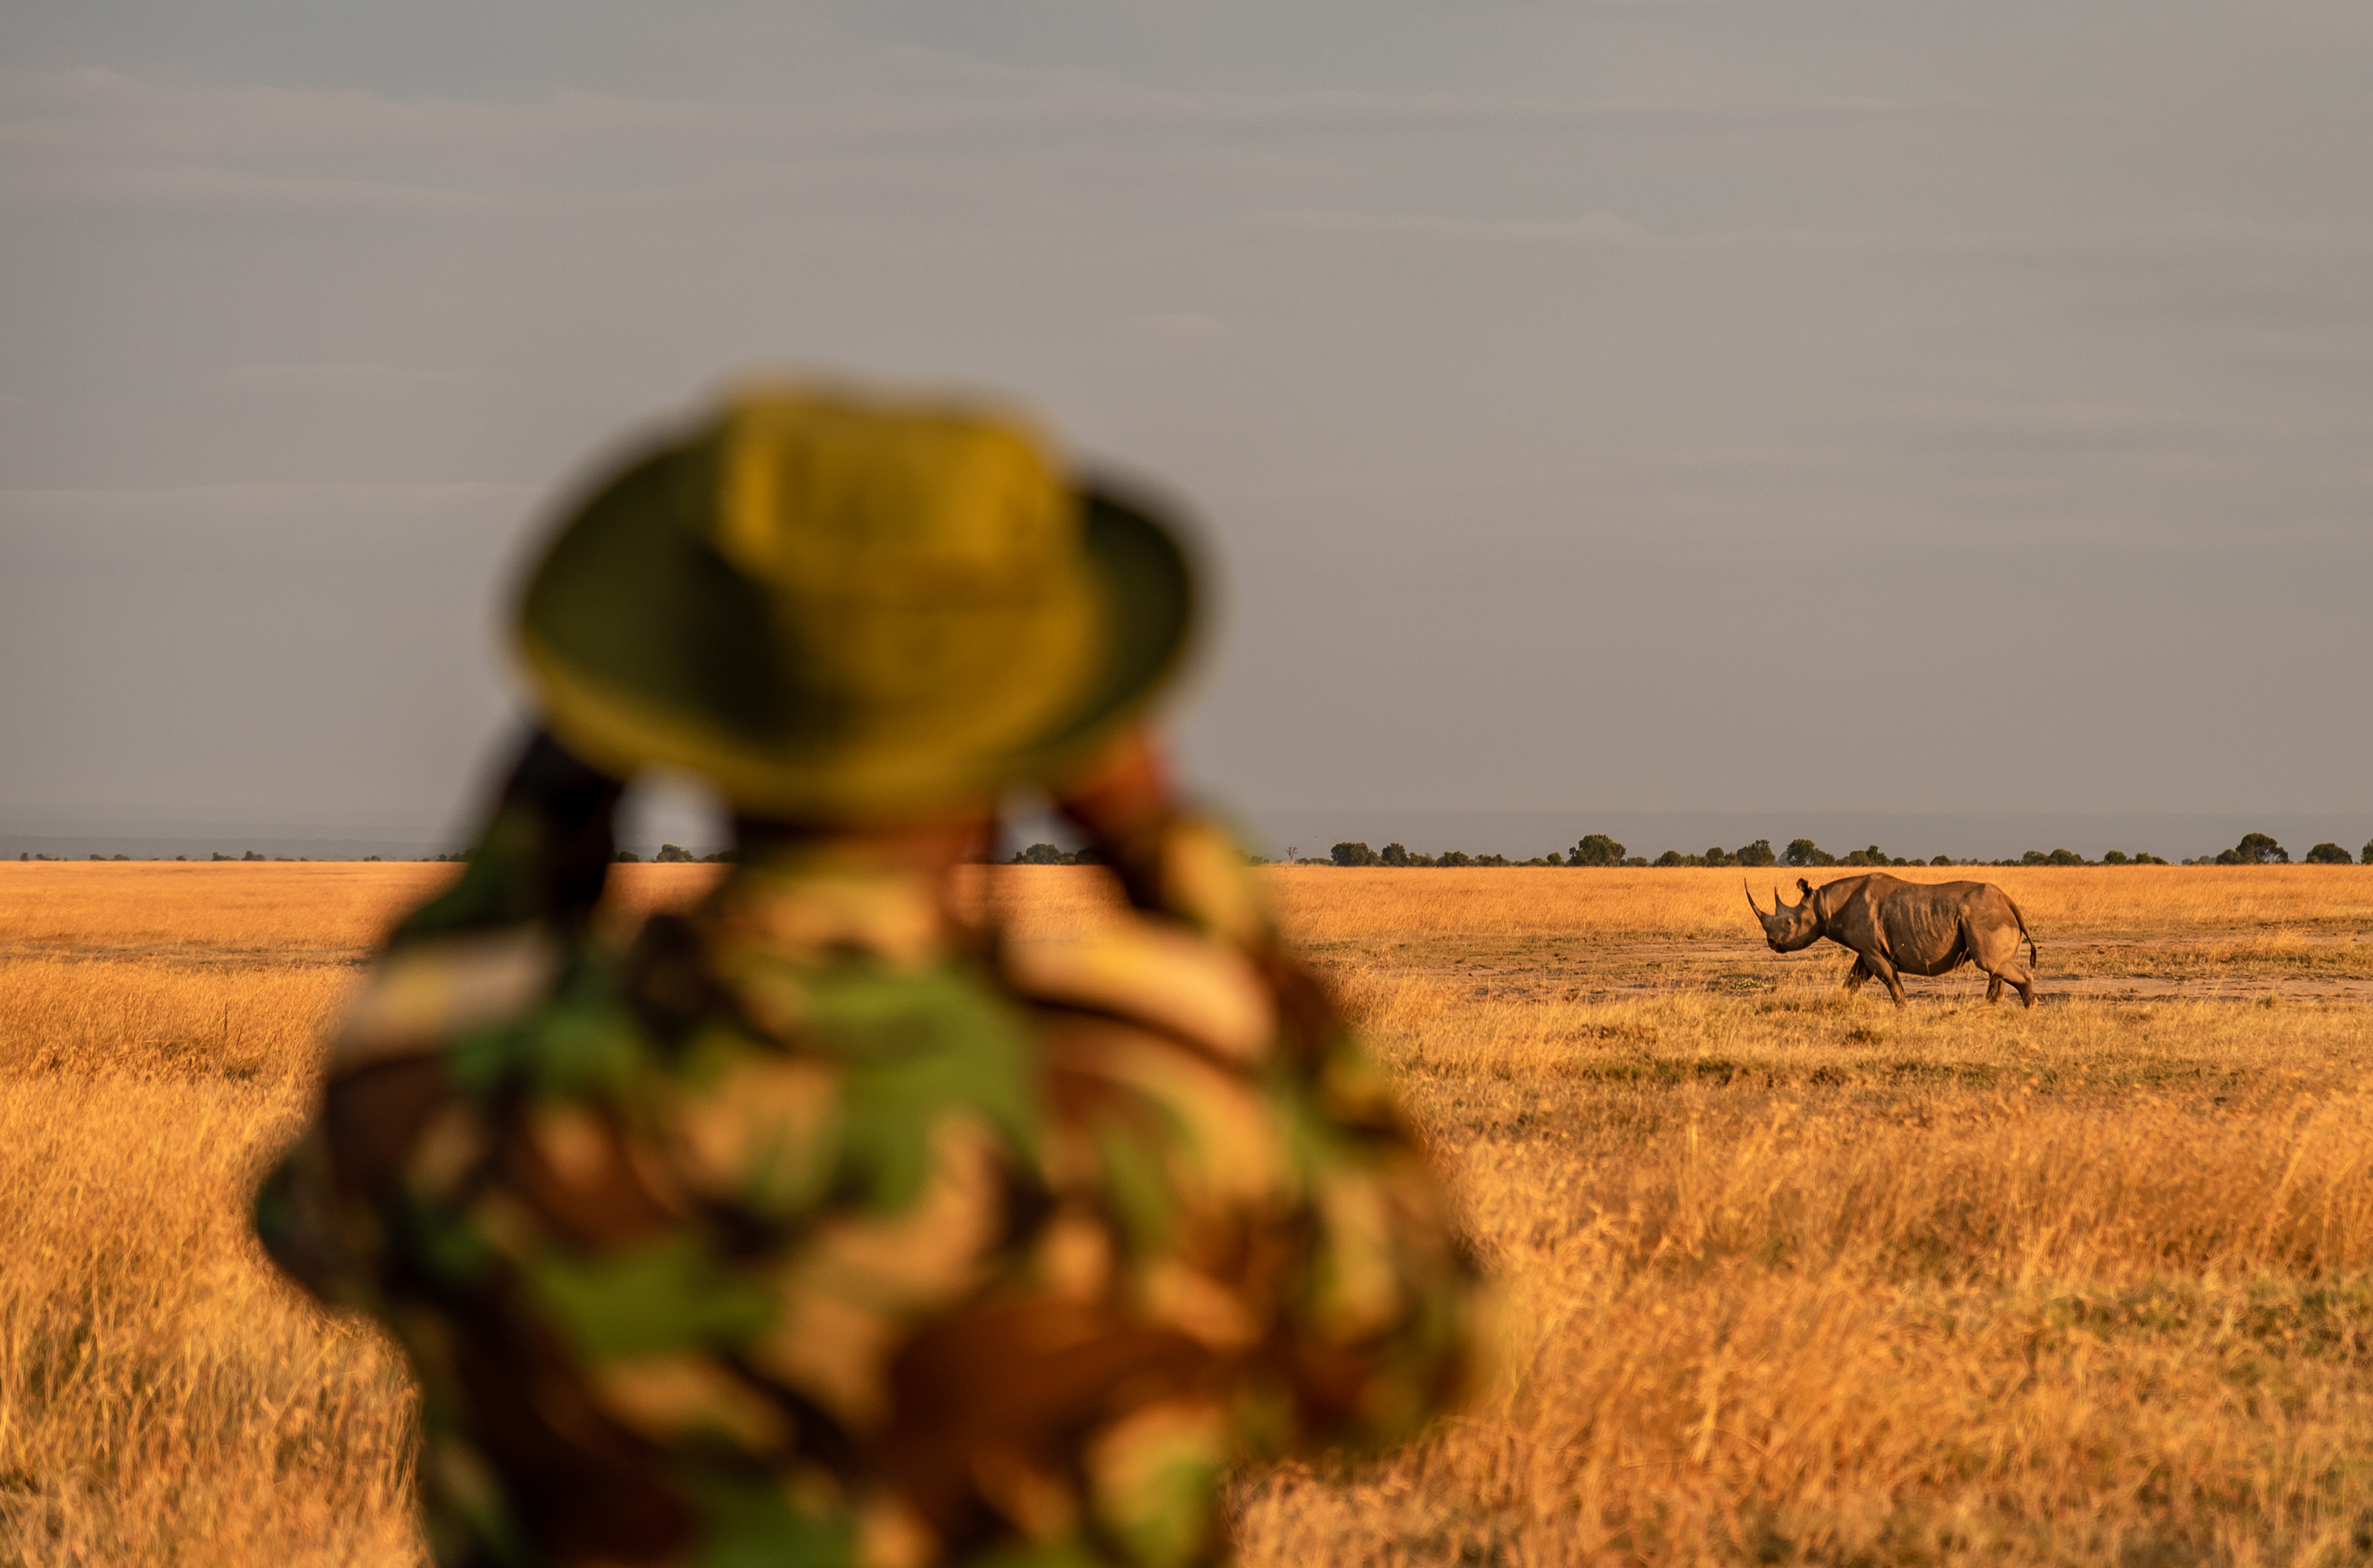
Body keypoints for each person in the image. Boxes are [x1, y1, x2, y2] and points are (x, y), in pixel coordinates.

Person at [254, 380, 1485, 1568]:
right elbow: (1422, 1354)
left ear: (675, 712)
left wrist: (523, 850)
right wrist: (1170, 856)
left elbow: (308, 1225)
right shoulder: (1168, 1111)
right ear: (1046, 735)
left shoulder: (454, 1109)